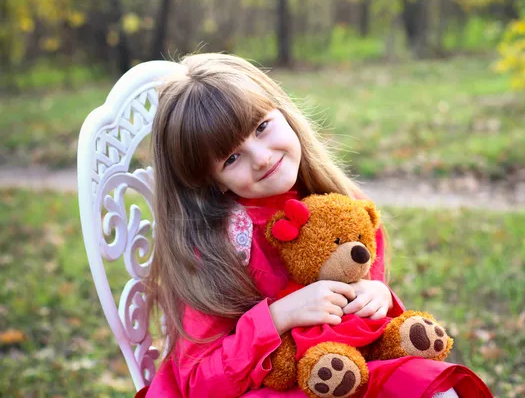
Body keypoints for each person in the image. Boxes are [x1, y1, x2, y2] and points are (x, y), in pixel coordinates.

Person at [140, 53, 491, 398]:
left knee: (419, 381)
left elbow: (369, 317)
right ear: (214, 181)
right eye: (232, 158)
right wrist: (278, 317)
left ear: (283, 112)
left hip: (348, 367)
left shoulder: (343, 209)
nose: (261, 158)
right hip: (266, 387)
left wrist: (379, 298)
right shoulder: (214, 249)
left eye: (262, 127)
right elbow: (200, 383)